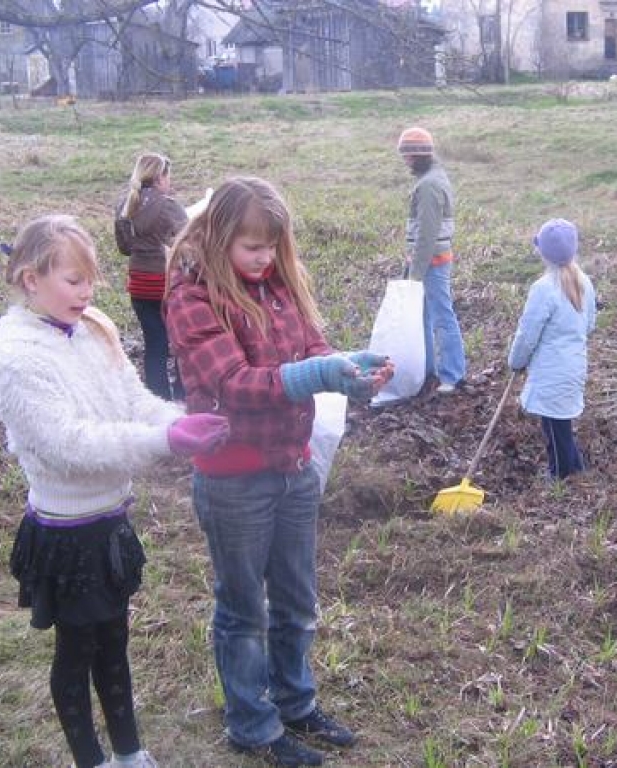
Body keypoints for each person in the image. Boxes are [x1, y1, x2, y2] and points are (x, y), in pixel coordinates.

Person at [164, 177, 392, 768]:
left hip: (294, 466)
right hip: (234, 474)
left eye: (273, 245)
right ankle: (252, 724)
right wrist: (319, 376)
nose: (265, 258)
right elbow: (232, 385)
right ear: (217, 239)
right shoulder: (192, 297)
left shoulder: (280, 286)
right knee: (244, 607)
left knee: (296, 600)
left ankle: (295, 701)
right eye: (251, 247)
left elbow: (314, 351)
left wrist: (349, 372)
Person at [0, 215, 230, 768]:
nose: (88, 291)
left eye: (90, 279)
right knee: (76, 653)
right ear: (31, 280)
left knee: (114, 643)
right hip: (65, 533)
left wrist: (178, 421)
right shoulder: (16, 359)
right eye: (73, 280)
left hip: (110, 522)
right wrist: (162, 439)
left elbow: (131, 398)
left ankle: (130, 752)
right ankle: (91, 760)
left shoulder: (93, 326)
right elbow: (69, 445)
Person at [507, 219, 597, 480]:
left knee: (555, 429)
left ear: (541, 252)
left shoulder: (543, 289)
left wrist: (516, 361)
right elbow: (589, 324)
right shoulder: (585, 282)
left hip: (551, 372)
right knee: (560, 425)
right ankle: (577, 470)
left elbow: (527, 334)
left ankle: (560, 476)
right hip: (575, 365)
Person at [397, 126, 466, 394]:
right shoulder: (433, 178)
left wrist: (415, 273)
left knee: (441, 316)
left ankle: (452, 375)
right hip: (430, 261)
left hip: (432, 263)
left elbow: (427, 233)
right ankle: (427, 370)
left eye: (407, 156)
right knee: (424, 317)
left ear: (418, 155)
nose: (405, 161)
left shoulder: (428, 186)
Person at [115, 152, 189, 400]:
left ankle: (157, 398)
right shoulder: (169, 206)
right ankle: (182, 393)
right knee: (181, 340)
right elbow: (188, 242)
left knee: (154, 343)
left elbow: (124, 248)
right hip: (166, 282)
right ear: (159, 177)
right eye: (168, 176)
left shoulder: (125, 205)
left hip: (138, 282)